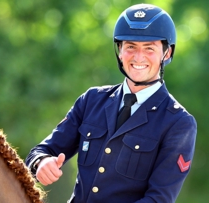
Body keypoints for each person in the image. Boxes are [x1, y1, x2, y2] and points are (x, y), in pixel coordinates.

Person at [25, 3, 197, 203]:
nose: (138, 57)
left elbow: (159, 199)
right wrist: (42, 162)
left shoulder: (179, 123)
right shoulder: (91, 100)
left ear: (166, 53)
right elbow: (42, 150)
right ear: (120, 51)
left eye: (149, 48)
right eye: (130, 47)